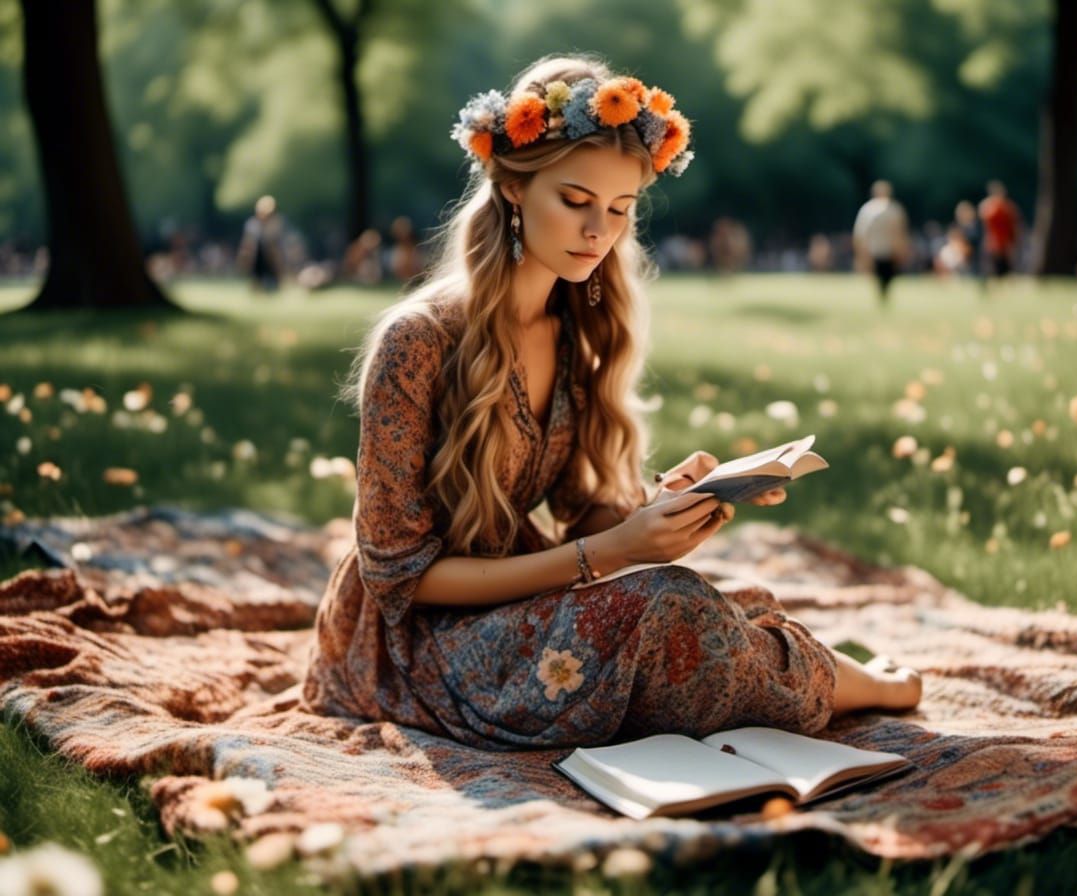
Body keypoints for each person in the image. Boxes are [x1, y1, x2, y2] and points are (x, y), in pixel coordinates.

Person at [302, 55, 921, 751]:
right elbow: (400, 578)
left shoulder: (576, 332)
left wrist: (661, 511)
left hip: (517, 595)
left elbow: (580, 512)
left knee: (709, 600)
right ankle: (857, 687)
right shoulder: (416, 342)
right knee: (669, 611)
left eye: (620, 210)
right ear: (513, 185)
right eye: (575, 201)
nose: (598, 231)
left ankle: (828, 679)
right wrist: (609, 552)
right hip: (411, 646)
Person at [852, 180, 909, 303]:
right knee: (888, 275)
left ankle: (882, 295)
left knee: (879, 275)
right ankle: (884, 295)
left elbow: (861, 232)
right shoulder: (895, 209)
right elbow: (901, 231)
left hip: (874, 248)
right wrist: (902, 248)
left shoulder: (867, 209)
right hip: (890, 248)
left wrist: (861, 250)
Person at [237, 195, 285, 292]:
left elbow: (275, 247)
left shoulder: (276, 224)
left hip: (272, 260)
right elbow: (247, 245)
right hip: (257, 258)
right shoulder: (252, 225)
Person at [977, 181, 1021, 280]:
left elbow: (1013, 226)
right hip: (994, 241)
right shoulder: (996, 207)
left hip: (1002, 241)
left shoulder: (1005, 207)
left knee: (1003, 265)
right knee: (994, 265)